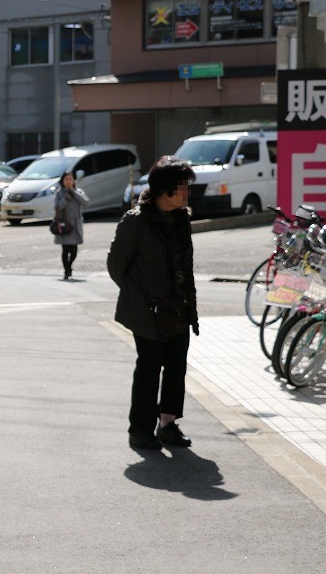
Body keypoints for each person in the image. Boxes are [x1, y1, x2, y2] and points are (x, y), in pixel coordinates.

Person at [107, 156, 198, 451]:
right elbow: (116, 265)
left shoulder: (181, 219)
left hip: (178, 307)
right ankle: (140, 430)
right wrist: (139, 296)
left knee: (176, 368)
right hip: (147, 310)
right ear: (164, 189)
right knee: (148, 368)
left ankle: (168, 425)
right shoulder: (137, 221)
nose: (187, 193)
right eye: (182, 187)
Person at [53, 171, 90, 280]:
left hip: (75, 226)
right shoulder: (59, 193)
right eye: (66, 179)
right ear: (62, 181)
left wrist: (74, 193)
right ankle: (66, 271)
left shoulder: (78, 191)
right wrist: (66, 198)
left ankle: (69, 266)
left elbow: (86, 203)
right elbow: (57, 207)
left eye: (70, 179)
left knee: (74, 251)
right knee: (65, 250)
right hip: (64, 225)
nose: (68, 181)